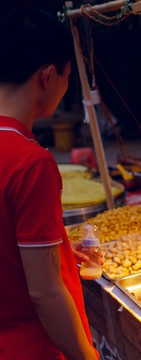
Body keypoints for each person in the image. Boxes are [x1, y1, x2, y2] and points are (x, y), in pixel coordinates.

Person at [0, 8, 98, 359]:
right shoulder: (30, 163)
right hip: (28, 347)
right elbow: (45, 293)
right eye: (68, 76)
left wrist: (54, 252)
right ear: (48, 76)